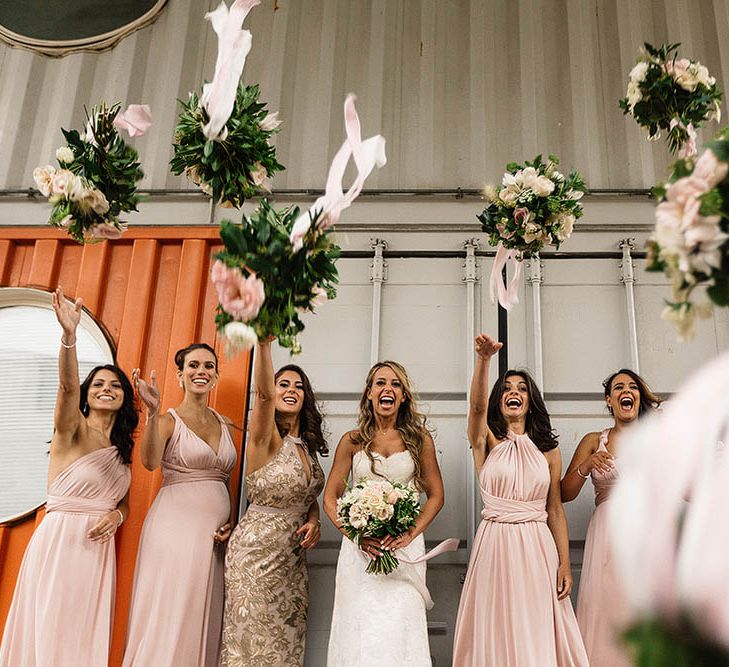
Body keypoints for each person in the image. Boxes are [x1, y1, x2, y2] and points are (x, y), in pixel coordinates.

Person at [0, 287, 137, 667]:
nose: (107, 389)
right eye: (98, 385)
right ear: (86, 395)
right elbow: (65, 386)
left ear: (125, 396)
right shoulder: (71, 429)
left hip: (97, 551)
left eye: (115, 385)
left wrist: (117, 516)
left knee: (84, 631)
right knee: (52, 624)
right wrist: (69, 338)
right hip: (62, 541)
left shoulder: (122, 450)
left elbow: (122, 500)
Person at [453, 333, 588, 666]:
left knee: (536, 621)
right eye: (508, 388)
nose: (514, 392)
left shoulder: (549, 450)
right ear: (499, 399)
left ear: (531, 401)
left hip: (536, 545)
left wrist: (564, 563)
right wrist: (484, 360)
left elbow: (554, 509)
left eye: (522, 389)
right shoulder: (485, 440)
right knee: (496, 621)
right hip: (495, 543)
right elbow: (476, 407)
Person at [324, 360, 445, 666]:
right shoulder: (351, 441)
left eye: (395, 384)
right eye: (380, 383)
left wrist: (410, 533)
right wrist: (356, 535)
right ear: (369, 393)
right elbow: (330, 498)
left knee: (400, 624)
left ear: (403, 396)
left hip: (404, 549)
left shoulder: (419, 440)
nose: (387, 389)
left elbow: (436, 495)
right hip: (360, 551)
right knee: (359, 627)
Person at [123, 343, 237, 667]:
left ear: (216, 376)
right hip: (174, 530)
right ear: (181, 375)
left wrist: (230, 522)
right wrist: (152, 411)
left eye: (209, 366)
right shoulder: (168, 421)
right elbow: (148, 461)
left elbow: (224, 480)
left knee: (201, 609)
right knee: (172, 607)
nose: (201, 371)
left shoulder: (226, 423)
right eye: (193, 366)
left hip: (213, 539)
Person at [220, 339, 326, 666]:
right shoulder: (264, 437)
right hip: (256, 555)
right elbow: (263, 396)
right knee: (250, 640)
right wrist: (264, 347)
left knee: (286, 643)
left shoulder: (305, 446)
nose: (291, 389)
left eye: (298, 386)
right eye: (283, 384)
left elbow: (306, 496)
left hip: (292, 560)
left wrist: (314, 520)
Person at [561, 368, 662, 666]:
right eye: (618, 388)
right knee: (607, 609)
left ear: (639, 397)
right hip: (607, 536)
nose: (625, 391)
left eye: (632, 387)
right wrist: (587, 465)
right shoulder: (595, 440)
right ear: (609, 400)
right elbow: (565, 493)